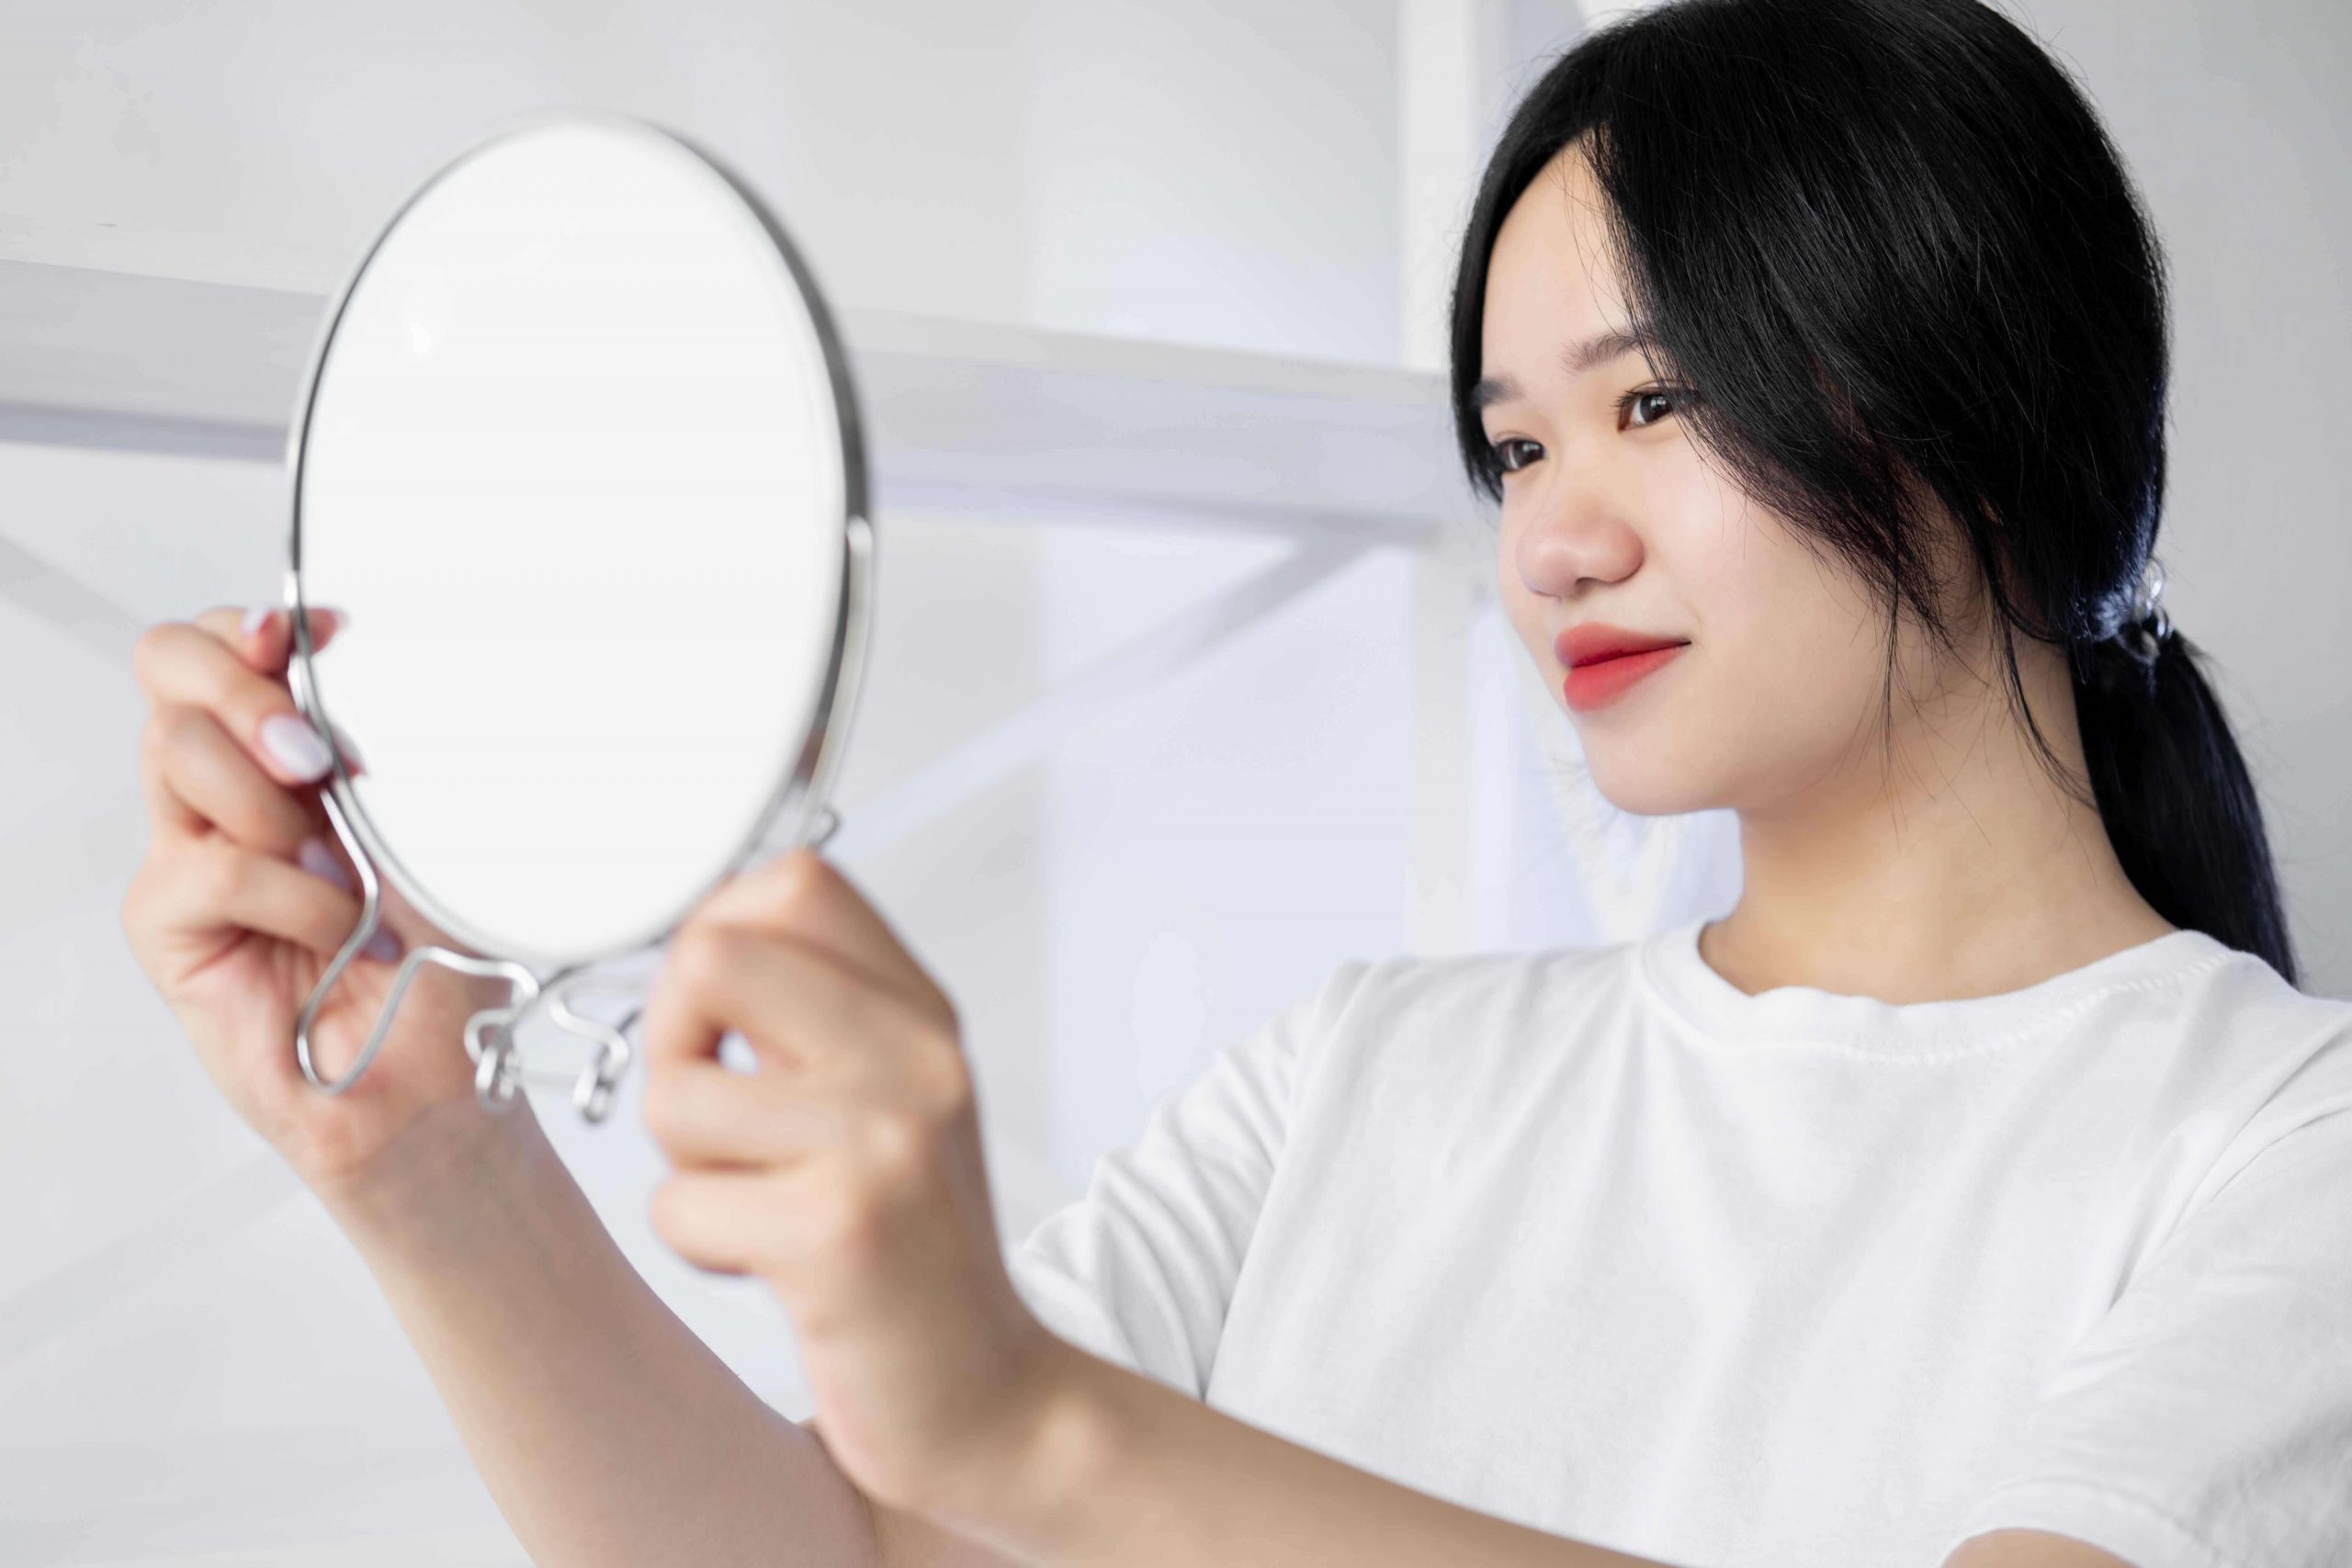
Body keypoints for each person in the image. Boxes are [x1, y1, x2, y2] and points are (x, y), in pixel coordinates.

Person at [121, 0, 2350, 1564]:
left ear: (1981, 384)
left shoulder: (2279, 1151)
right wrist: (426, 1161)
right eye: (1511, 443)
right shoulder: (1363, 1070)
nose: (1550, 532)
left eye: (1653, 404)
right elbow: (850, 1551)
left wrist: (1042, 1425)